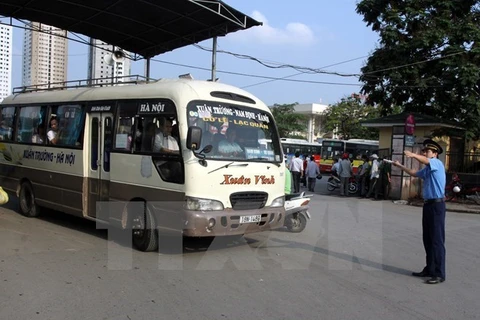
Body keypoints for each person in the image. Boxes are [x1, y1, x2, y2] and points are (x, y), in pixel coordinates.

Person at [392, 139, 446, 285]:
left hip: (437, 206)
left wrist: (413, 155)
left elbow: (424, 160)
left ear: (434, 154)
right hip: (428, 205)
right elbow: (414, 173)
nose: (425, 153)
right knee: (427, 239)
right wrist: (400, 166)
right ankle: (429, 268)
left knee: (436, 240)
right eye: (424, 151)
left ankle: (439, 273)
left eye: (427, 151)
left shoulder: (437, 164)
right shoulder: (429, 169)